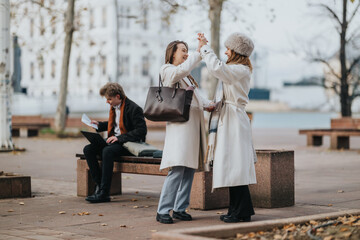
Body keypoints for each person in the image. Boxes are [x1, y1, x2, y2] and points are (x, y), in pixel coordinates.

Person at [198, 32, 257, 223]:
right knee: (233, 165)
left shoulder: (240, 70)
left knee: (236, 165)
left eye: (228, 49)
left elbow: (217, 69)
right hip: (229, 117)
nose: (225, 52)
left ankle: (242, 211)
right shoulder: (237, 69)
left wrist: (206, 48)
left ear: (235, 52)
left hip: (234, 120)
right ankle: (237, 210)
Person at [156, 40, 214, 224]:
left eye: (187, 51)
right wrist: (198, 53)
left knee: (189, 168)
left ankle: (180, 208)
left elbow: (198, 98)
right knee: (178, 167)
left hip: (192, 128)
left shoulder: (187, 76)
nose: (186, 53)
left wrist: (210, 104)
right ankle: (163, 210)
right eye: (183, 50)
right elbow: (178, 72)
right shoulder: (167, 69)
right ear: (172, 53)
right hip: (181, 128)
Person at [83, 83, 147, 203]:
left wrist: (120, 138)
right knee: (88, 149)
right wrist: (99, 125)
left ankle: (104, 193)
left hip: (130, 144)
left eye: (109, 99)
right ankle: (99, 185)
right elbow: (116, 124)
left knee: (107, 151)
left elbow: (141, 131)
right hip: (115, 142)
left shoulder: (134, 108)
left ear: (118, 96)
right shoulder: (114, 108)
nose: (107, 102)